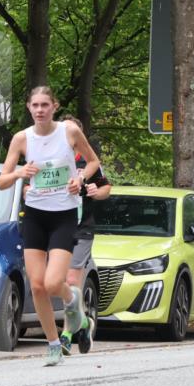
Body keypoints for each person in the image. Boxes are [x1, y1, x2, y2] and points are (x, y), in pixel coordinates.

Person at [0, 87, 100, 366]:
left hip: (63, 215)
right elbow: (2, 181)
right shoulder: (22, 139)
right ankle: (54, 344)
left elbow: (93, 162)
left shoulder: (69, 131)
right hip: (34, 216)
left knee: (55, 282)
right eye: (35, 105)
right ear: (29, 108)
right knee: (38, 287)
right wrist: (20, 172)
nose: (40, 110)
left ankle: (72, 302)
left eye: (45, 104)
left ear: (54, 106)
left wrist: (79, 179)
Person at [61, 117, 112, 356]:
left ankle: (66, 334)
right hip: (56, 225)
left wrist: (94, 191)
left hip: (82, 228)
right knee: (58, 283)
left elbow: (105, 189)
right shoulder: (52, 158)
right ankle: (82, 324)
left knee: (72, 281)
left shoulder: (87, 161)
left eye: (74, 131)